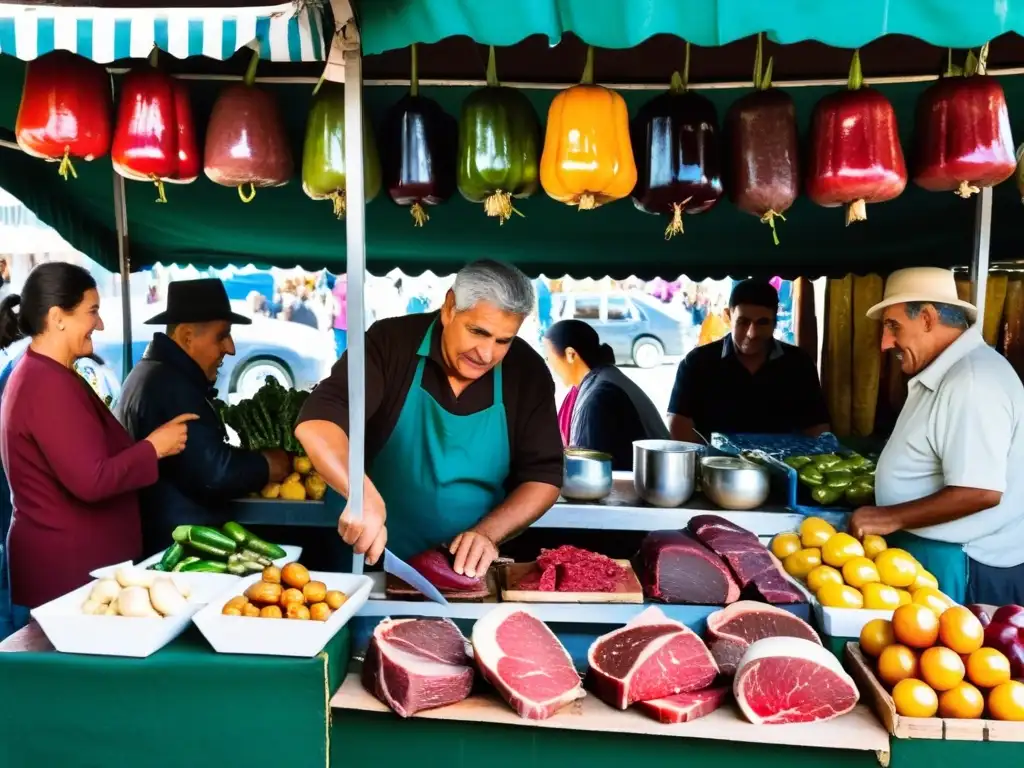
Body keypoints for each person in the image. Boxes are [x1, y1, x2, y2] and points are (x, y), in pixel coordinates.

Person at [295, 260, 562, 579]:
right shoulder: (390, 343)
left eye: (503, 340)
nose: (486, 354)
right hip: (369, 561)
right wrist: (361, 495)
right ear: (450, 307)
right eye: (478, 332)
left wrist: (489, 533)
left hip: (467, 574)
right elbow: (320, 420)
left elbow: (544, 476)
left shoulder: (526, 371)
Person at [0, 263, 195, 618]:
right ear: (58, 317)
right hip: (65, 578)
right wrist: (154, 447)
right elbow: (92, 480)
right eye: (92, 312)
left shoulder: (49, 374)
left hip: (74, 572)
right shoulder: (44, 384)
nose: (100, 324)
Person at [849, 267, 1024, 606]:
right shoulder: (949, 371)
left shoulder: (972, 380)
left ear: (927, 318)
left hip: (965, 563)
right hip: (939, 554)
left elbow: (980, 491)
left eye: (893, 326)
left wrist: (890, 516)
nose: (886, 343)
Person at [116, 279, 291, 555]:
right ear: (187, 337)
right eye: (221, 335)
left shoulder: (153, 374)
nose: (230, 348)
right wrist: (267, 465)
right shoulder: (169, 385)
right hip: (174, 549)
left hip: (163, 540)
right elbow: (215, 473)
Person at [668, 278, 830, 443]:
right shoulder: (697, 363)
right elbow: (679, 425)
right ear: (728, 316)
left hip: (785, 466)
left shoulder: (798, 364)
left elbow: (817, 427)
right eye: (743, 322)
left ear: (775, 322)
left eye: (762, 323)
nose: (752, 333)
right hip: (716, 465)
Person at [545, 319, 669, 469]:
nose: (549, 364)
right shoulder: (604, 379)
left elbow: (588, 473)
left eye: (549, 357)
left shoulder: (598, 397)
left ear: (571, 354)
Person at [332, 274, 348, 358]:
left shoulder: (335, 289)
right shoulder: (355, 287)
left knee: (340, 348)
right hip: (352, 324)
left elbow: (333, 308)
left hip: (338, 324)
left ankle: (341, 367)